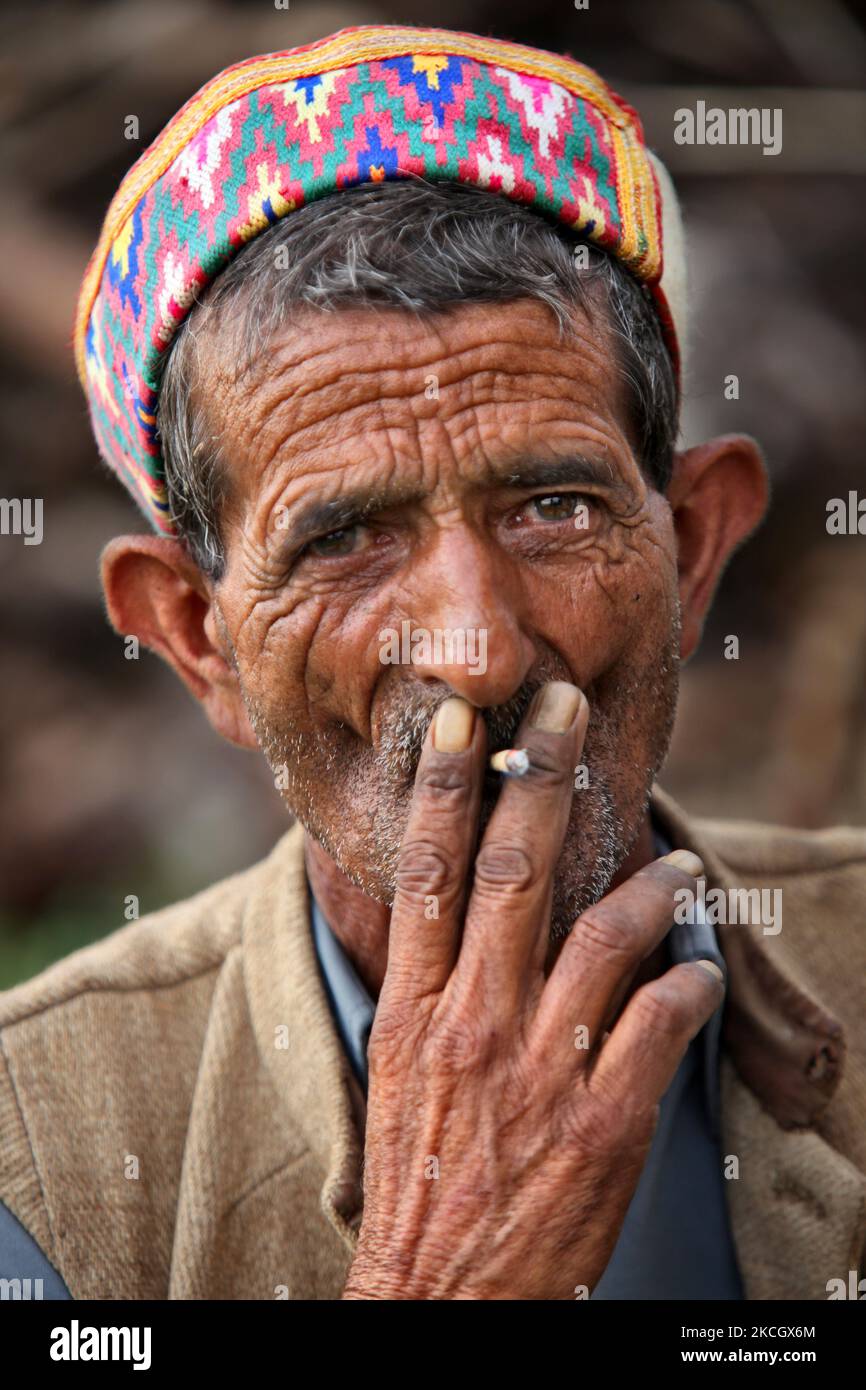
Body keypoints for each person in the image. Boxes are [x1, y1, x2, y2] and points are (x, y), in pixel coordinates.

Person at [1, 24, 863, 1302]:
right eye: (343, 537)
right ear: (200, 640)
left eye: (553, 507)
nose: (474, 648)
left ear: (690, 552)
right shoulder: (39, 1160)